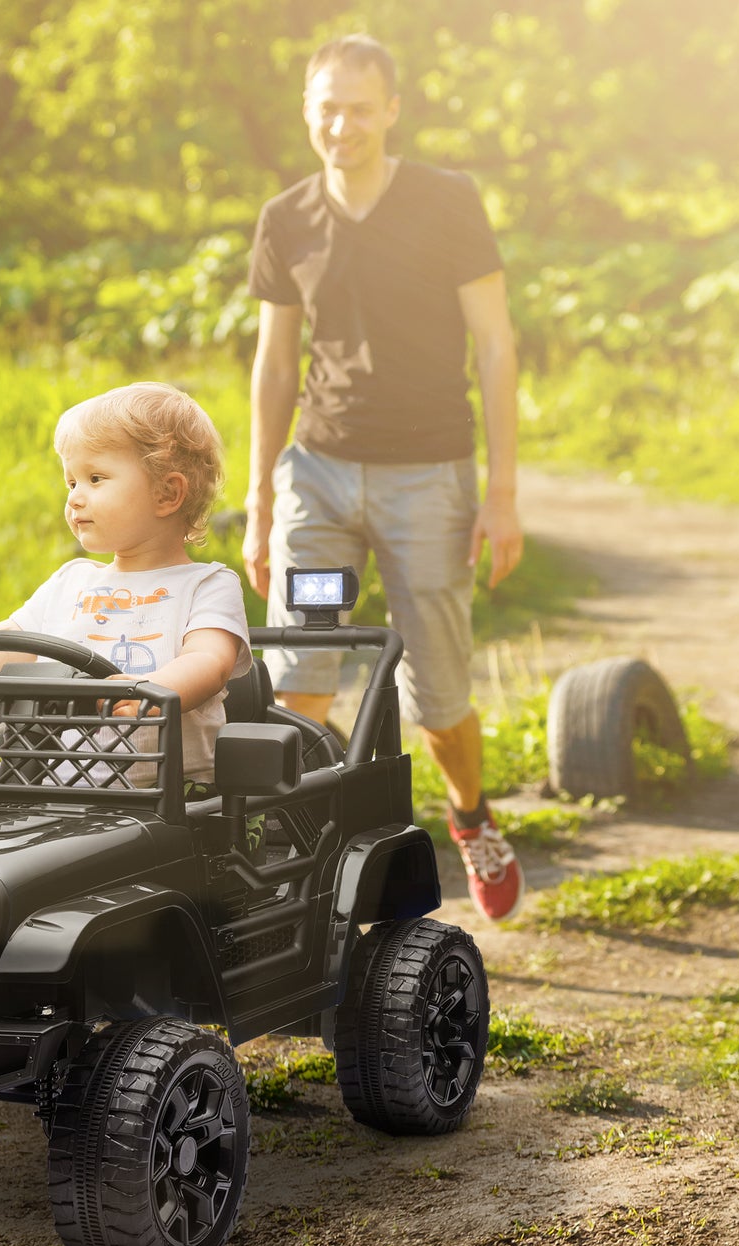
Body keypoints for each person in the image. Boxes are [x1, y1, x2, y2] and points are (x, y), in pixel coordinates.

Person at [242, 32, 526, 922]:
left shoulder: (446, 201)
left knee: (437, 695)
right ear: (306, 112)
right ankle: (310, 867)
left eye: (360, 107)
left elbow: (495, 342)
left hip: (427, 482)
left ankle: (471, 816)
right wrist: (258, 499)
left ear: (391, 109)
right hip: (319, 480)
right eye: (326, 107)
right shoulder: (286, 218)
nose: (342, 124)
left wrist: (503, 491)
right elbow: (274, 364)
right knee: (302, 675)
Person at [0, 382, 251, 787]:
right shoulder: (71, 580)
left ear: (167, 493)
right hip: (53, 787)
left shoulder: (206, 584)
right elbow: (15, 645)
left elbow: (209, 662)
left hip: (174, 798)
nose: (76, 498)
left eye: (95, 478)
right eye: (71, 483)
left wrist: (151, 692)